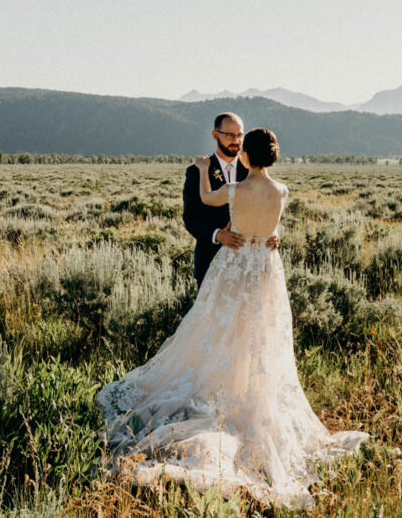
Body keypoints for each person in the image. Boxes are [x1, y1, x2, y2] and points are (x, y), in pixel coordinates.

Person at [96, 127, 368, 509]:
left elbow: (208, 197)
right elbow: (274, 228)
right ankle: (246, 390)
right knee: (258, 333)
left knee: (218, 327)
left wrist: (202, 167)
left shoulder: (237, 189)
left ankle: (221, 388)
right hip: (265, 267)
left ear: (246, 156)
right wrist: (271, 238)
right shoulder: (283, 191)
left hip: (234, 264)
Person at [181, 112, 277, 285]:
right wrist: (217, 235)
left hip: (249, 265)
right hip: (210, 260)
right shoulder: (197, 171)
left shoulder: (253, 167)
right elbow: (191, 217)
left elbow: (266, 207)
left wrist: (273, 234)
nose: (236, 140)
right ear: (215, 135)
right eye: (230, 135)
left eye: (240, 135)